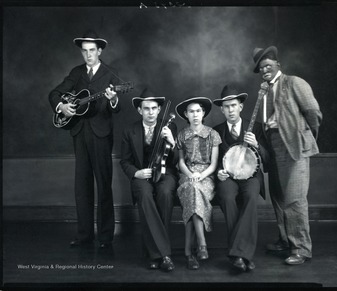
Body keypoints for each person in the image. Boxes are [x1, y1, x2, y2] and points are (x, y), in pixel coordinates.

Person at [49, 30, 121, 249]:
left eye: (92, 51)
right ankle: (84, 236)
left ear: (99, 51)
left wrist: (114, 99)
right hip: (79, 132)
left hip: (101, 134)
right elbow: (54, 93)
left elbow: (118, 108)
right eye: (85, 51)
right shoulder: (76, 72)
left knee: (103, 185)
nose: (88, 55)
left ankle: (106, 237)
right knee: (82, 185)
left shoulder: (110, 74)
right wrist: (62, 106)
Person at [252, 46, 322, 265]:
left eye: (268, 66)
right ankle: (285, 240)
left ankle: (301, 248)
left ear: (278, 66)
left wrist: (304, 138)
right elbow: (261, 123)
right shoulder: (263, 91)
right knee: (279, 198)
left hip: (294, 147)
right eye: (261, 67)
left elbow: (313, 113)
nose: (265, 70)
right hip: (272, 149)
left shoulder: (294, 83)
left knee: (294, 199)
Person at [212, 84, 269, 272]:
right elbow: (209, 162)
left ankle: (237, 254)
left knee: (251, 196)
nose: (230, 110)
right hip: (227, 176)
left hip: (251, 176)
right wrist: (218, 172)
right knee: (227, 197)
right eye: (226, 107)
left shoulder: (257, 128)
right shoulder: (216, 131)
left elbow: (269, 160)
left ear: (241, 107)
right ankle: (243, 254)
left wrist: (258, 146)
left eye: (234, 105)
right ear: (222, 109)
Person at [120, 88, 178, 272]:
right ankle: (164, 255)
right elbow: (125, 161)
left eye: (154, 108)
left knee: (165, 192)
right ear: (140, 110)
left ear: (159, 109)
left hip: (165, 172)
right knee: (145, 194)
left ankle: (153, 254)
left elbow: (175, 160)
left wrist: (172, 142)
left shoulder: (170, 127)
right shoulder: (130, 130)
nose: (151, 112)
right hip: (141, 174)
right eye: (146, 108)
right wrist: (136, 173)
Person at [175, 97, 221, 270]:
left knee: (194, 193)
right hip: (187, 175)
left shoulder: (212, 134)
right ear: (186, 115)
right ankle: (202, 244)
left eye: (198, 111)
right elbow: (180, 162)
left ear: (203, 113)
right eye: (191, 111)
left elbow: (214, 164)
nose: (195, 115)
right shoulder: (182, 135)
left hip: (206, 177)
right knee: (192, 190)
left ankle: (189, 253)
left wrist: (200, 176)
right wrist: (190, 175)